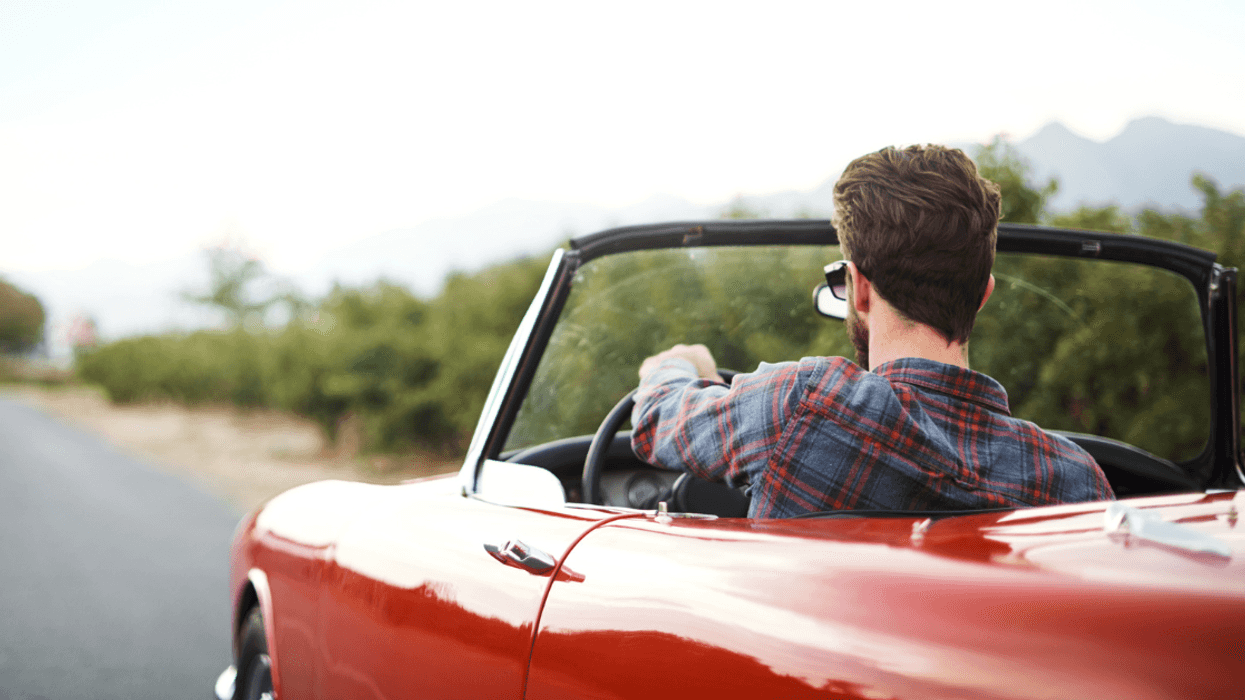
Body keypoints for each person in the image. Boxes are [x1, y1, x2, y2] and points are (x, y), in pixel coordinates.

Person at [630, 145, 1114, 518]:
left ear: (859, 288)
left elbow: (655, 420)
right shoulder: (1077, 482)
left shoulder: (802, 404)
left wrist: (678, 365)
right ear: (982, 294)